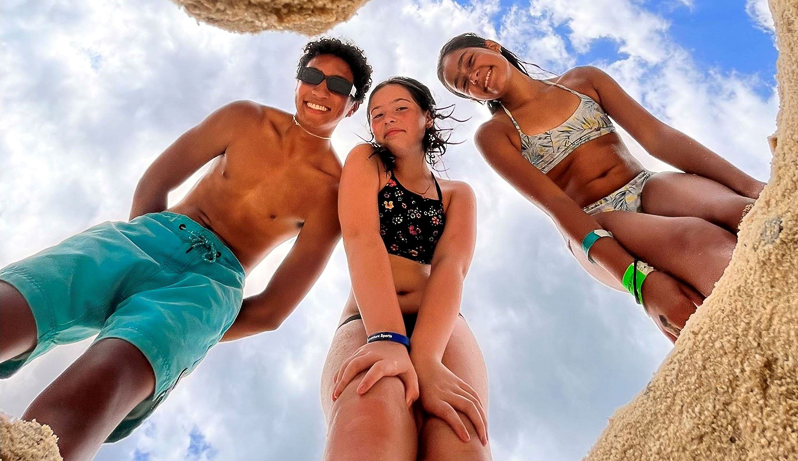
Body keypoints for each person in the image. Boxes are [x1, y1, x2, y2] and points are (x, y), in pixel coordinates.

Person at [0, 37, 372, 461]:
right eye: (312, 76)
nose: (321, 91)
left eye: (339, 87)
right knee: (19, 300)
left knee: (105, 380)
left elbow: (271, 311)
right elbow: (156, 182)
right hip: (145, 237)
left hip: (207, 288)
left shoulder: (333, 191)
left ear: (353, 105)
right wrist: (143, 243)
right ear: (297, 80)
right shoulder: (244, 118)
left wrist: (198, 325)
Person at [437, 33, 765, 342]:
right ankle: (760, 323)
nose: (473, 78)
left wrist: (749, 185)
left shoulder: (582, 81)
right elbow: (556, 204)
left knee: (743, 210)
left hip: (645, 184)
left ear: (492, 46)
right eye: (463, 84)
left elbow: (657, 138)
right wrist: (640, 283)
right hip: (595, 222)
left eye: (469, 62)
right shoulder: (496, 134)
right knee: (700, 239)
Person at [320, 77, 491, 461]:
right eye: (377, 114)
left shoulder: (457, 193)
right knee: (368, 421)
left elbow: (451, 267)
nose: (387, 118)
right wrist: (387, 337)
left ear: (427, 118)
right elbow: (361, 238)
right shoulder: (367, 161)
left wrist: (427, 359)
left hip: (441, 324)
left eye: (400, 108)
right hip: (368, 320)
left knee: (459, 432)